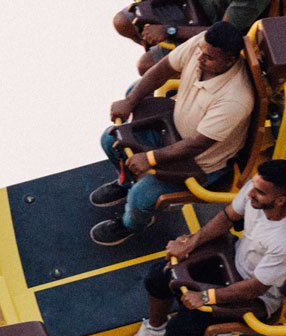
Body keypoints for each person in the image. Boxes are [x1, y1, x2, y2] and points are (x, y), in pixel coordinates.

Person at [119, 157, 286, 336]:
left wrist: (206, 297)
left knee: (182, 329)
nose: (251, 192)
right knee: (159, 275)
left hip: (256, 296)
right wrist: (192, 243)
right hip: (233, 259)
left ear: (280, 200)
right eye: (253, 185)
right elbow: (228, 216)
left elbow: (255, 288)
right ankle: (155, 328)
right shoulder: (257, 192)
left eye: (260, 192)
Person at [91, 21, 254, 249]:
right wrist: (131, 100)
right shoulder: (204, 44)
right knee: (110, 140)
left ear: (230, 61)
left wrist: (149, 160)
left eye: (209, 58)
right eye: (202, 52)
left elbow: (197, 145)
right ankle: (126, 181)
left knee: (140, 198)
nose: (200, 59)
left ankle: (132, 225)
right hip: (171, 128)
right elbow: (163, 68)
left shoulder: (236, 99)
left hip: (199, 162)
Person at [111, 0, 270, 73]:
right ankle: (162, 53)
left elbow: (222, 31)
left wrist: (169, 31)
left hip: (218, 34)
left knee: (145, 64)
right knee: (123, 21)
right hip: (191, 7)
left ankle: (170, 68)